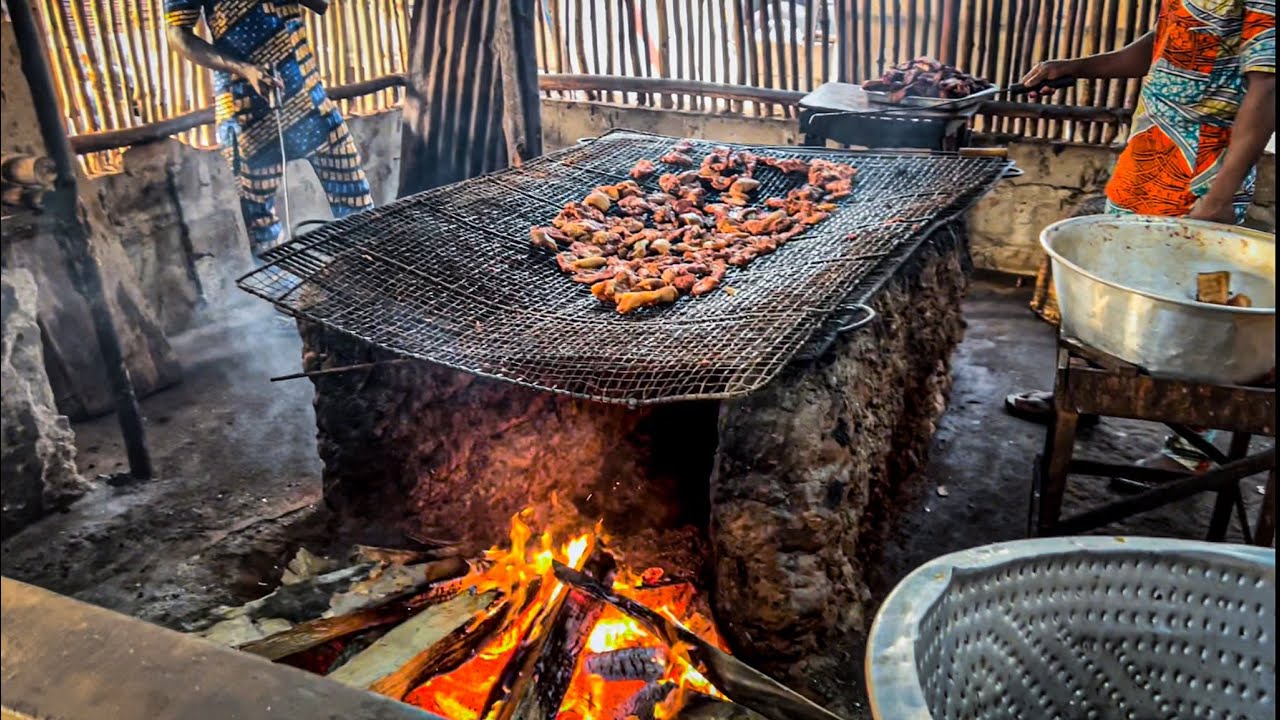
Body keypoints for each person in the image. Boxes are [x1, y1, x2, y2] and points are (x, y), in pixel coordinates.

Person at [1004, 0, 1275, 473]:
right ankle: (1085, 396)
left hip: (1201, 172)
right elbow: (1163, 41)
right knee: (1106, 288)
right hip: (1147, 160)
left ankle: (1191, 452)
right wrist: (1075, 67)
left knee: (1197, 313)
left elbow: (1268, 87)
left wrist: (1218, 195)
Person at [165, 0, 375, 260]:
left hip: (310, 99)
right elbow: (178, 34)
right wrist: (244, 69)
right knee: (263, 227)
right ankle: (277, 283)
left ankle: (368, 272)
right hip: (247, 111)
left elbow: (321, 5)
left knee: (357, 204)